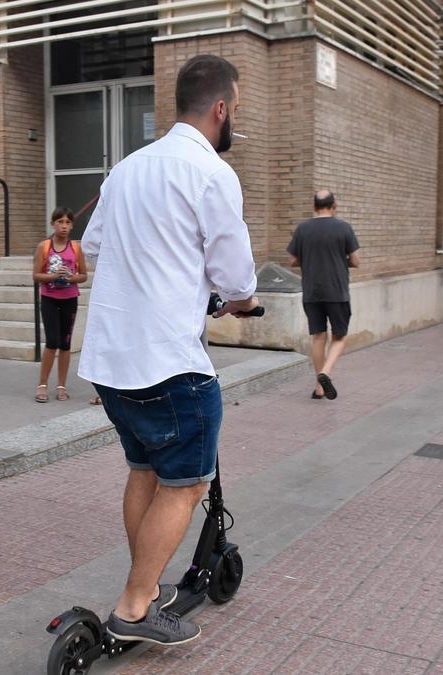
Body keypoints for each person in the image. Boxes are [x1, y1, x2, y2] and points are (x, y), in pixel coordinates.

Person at [78, 54, 258, 646]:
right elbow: (236, 279)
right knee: (184, 485)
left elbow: (94, 245)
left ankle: (146, 586)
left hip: (112, 360)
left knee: (144, 471)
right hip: (170, 362)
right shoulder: (210, 172)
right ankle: (135, 607)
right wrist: (232, 301)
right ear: (221, 107)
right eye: (237, 109)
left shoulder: (129, 166)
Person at [287, 190, 361, 400]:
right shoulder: (344, 228)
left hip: (312, 291)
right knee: (339, 336)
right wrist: (339, 259)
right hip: (337, 291)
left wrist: (310, 259)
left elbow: (292, 260)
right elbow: (356, 261)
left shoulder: (303, 229)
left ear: (314, 206)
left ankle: (319, 389)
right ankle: (325, 373)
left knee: (318, 336)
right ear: (334, 205)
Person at [33, 207, 88, 402]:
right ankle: (42, 386)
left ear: (72, 225)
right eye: (60, 222)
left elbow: (83, 275)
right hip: (49, 298)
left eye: (67, 222)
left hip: (69, 299)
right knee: (52, 341)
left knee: (65, 344)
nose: (64, 226)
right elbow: (36, 275)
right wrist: (53, 276)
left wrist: (72, 278)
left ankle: (61, 386)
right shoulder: (44, 247)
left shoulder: (76, 248)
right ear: (53, 224)